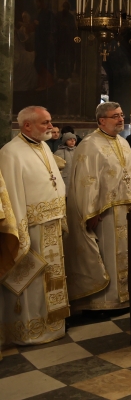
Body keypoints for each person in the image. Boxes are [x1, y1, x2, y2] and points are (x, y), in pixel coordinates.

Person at [67, 102, 131, 311]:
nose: (120, 119)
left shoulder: (123, 143)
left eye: (121, 115)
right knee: (109, 256)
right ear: (101, 120)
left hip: (128, 211)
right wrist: (90, 212)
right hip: (105, 213)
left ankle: (128, 295)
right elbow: (86, 181)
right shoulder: (90, 145)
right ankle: (105, 302)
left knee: (128, 253)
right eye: (115, 116)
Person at [0, 107, 69, 349]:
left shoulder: (43, 147)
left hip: (51, 223)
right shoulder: (10, 153)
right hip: (30, 228)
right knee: (32, 280)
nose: (50, 127)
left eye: (50, 122)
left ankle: (53, 325)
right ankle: (29, 330)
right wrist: (20, 232)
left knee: (52, 279)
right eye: (44, 123)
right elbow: (12, 197)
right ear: (26, 125)